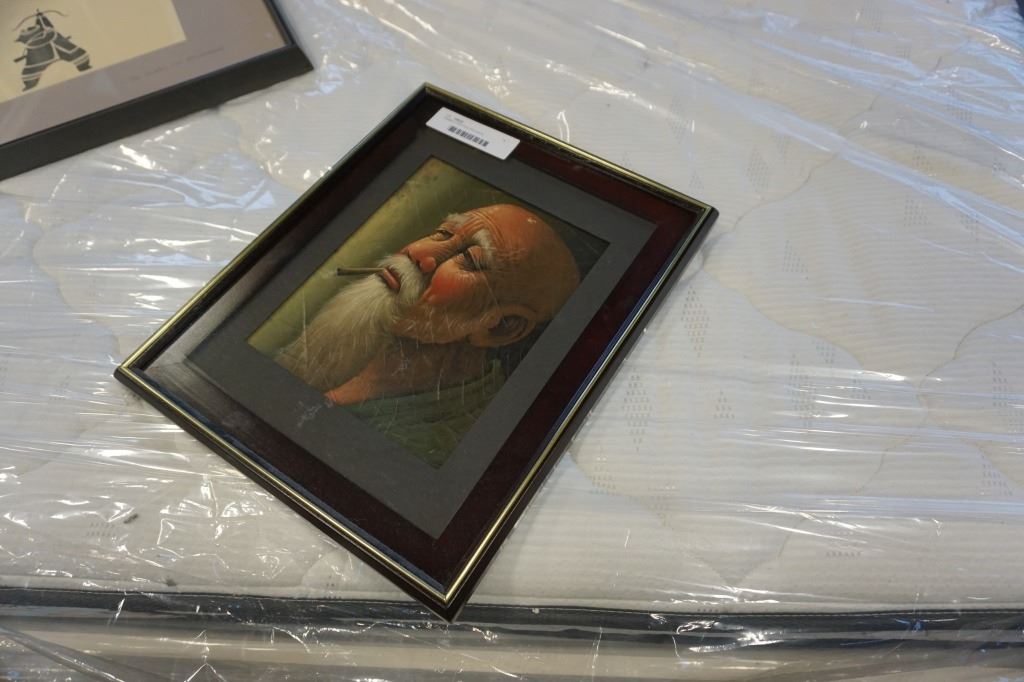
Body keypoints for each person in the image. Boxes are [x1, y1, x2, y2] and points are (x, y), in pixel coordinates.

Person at [276, 203, 580, 466]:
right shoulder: (354, 354)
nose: (417, 252)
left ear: (502, 328)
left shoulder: (431, 446)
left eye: (469, 260)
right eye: (443, 234)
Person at [14, 11, 91, 91]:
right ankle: (83, 65)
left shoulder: (44, 35)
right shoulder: (50, 32)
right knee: (79, 55)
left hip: (42, 61)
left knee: (29, 75)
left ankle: (30, 84)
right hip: (62, 51)